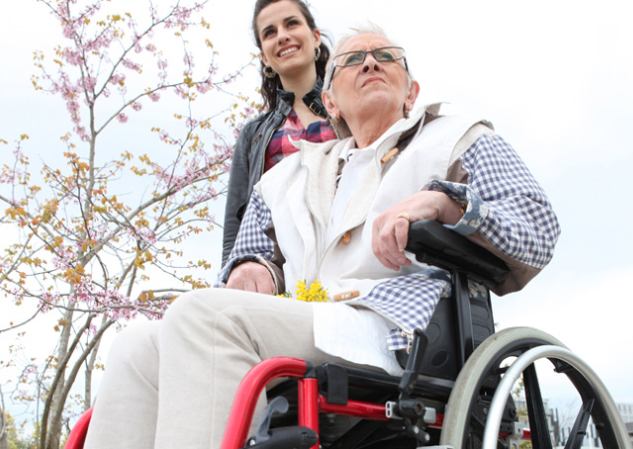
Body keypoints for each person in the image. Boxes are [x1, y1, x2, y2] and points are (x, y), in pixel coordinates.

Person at [84, 25, 560, 449]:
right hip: (310, 320)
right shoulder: (287, 176)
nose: (370, 62)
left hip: (400, 330)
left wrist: (446, 203)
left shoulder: (457, 139)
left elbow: (537, 228)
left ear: (411, 91)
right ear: (330, 101)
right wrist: (255, 268)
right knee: (138, 345)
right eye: (352, 60)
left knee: (202, 316)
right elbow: (250, 255)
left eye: (385, 56)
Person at [222, 0, 337, 266]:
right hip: (276, 267)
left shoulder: (349, 115)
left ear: (315, 36)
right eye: (269, 32)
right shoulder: (254, 134)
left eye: (291, 23)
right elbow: (235, 226)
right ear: (264, 56)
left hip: (343, 253)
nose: (282, 36)